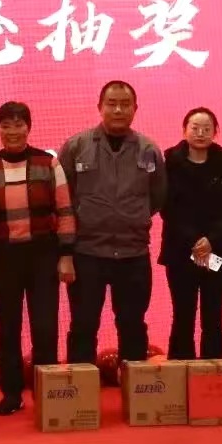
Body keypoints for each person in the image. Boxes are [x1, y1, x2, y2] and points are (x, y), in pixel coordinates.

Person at [0, 102, 76, 416]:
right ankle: (12, 393)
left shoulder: (48, 163)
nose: (13, 131)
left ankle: (46, 392)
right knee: (7, 327)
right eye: (6, 125)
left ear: (28, 128)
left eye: (19, 125)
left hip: (43, 253)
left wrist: (66, 255)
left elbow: (65, 211)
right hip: (3, 255)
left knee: (45, 326)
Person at [59, 81, 166, 364]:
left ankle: (136, 387)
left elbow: (157, 196)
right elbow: (63, 197)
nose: (118, 110)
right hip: (87, 253)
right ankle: (80, 385)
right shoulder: (76, 146)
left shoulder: (148, 149)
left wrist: (132, 216)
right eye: (112, 103)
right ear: (100, 107)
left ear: (135, 109)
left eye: (125, 104)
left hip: (133, 254)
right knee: (83, 325)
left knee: (132, 325)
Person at [160, 107, 222, 360]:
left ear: (216, 132)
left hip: (217, 252)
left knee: (213, 315)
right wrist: (194, 240)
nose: (201, 133)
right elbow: (167, 207)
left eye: (207, 128)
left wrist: (211, 240)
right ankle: (180, 371)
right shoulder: (170, 161)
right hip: (181, 252)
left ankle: (212, 373)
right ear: (184, 130)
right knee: (183, 314)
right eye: (195, 128)